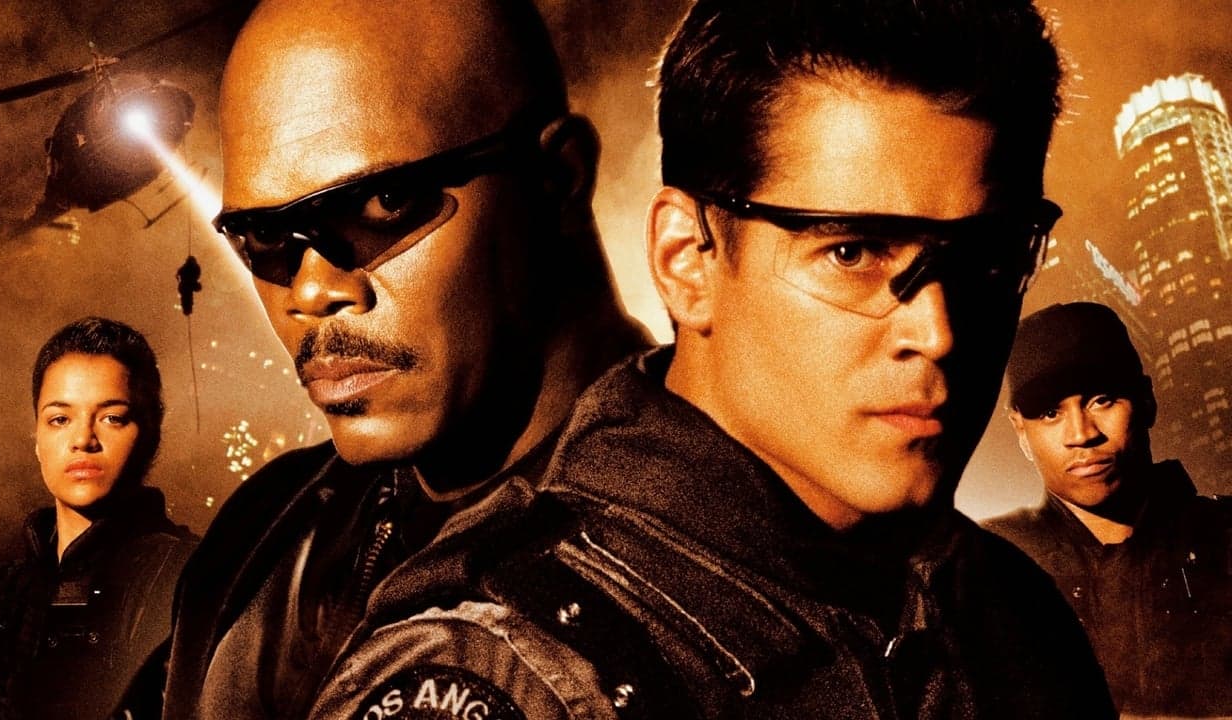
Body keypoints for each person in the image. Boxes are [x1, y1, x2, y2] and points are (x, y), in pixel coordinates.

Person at [302, 1, 1119, 718]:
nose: (938, 331)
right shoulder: (507, 673)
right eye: (853, 251)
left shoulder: (1011, 614)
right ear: (686, 260)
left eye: (987, 258)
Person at [116, 0, 650, 717]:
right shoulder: (263, 530)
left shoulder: (716, 542)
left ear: (556, 179)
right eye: (265, 238)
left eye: (384, 202)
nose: (311, 291)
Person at [983, 301, 1232, 718]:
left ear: (1146, 400)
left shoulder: (1223, 538)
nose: (1082, 434)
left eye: (1103, 400)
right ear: (1021, 431)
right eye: (1050, 412)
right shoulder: (983, 570)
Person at [0, 317, 197, 720]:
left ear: (151, 433)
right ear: (37, 438)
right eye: (59, 419)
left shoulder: (193, 581)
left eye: (112, 417)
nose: (83, 440)